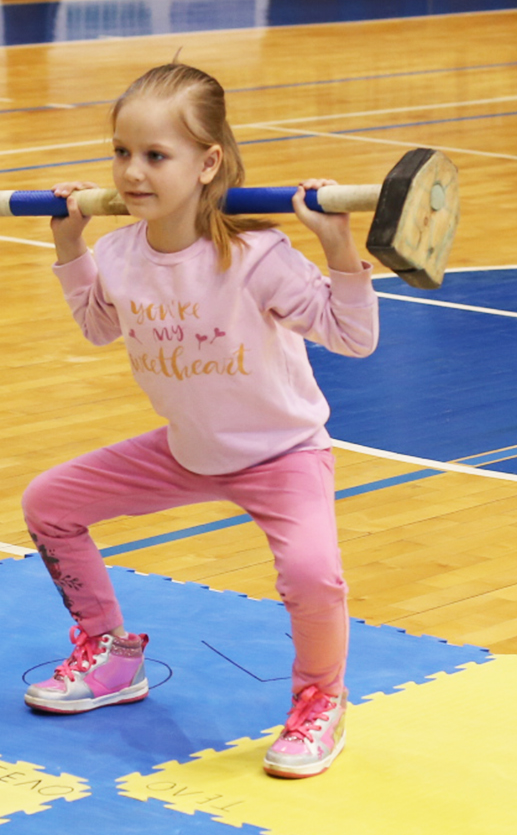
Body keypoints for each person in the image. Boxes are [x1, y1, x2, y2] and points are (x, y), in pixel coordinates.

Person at [21, 62, 378, 780]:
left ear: (208, 162)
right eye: (122, 153)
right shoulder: (121, 252)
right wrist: (70, 246)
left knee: (313, 576)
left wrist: (339, 249)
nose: (131, 173)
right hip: (186, 449)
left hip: (282, 454)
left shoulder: (257, 257)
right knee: (49, 504)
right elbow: (96, 327)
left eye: (156, 156)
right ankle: (111, 655)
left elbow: (353, 336)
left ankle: (321, 702)